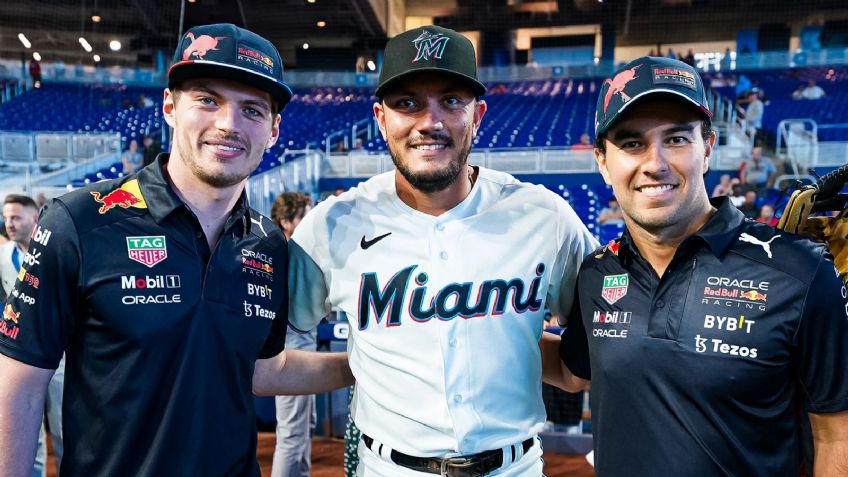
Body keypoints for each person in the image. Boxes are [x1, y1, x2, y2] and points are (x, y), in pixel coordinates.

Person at [0, 23, 353, 477]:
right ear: (170, 106)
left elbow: (264, 370)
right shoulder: (80, 220)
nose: (228, 124)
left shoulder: (268, 244)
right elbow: (21, 384)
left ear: (274, 130)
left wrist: (365, 363)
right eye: (207, 100)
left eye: (252, 109)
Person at [287, 24, 597, 477]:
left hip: (515, 468)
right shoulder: (333, 224)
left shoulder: (544, 216)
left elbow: (603, 336)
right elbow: (263, 354)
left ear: (478, 115)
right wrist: (363, 362)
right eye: (407, 102)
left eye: (451, 101)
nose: (429, 122)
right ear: (380, 118)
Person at [554, 56, 848, 476]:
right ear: (602, 161)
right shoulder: (597, 273)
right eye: (632, 143)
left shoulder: (801, 272)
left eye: (675, 139)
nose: (655, 164)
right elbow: (575, 370)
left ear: (707, 148)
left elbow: (837, 435)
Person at [0, 195, 64, 477]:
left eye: (16, 217)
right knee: (23, 435)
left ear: (34, 219)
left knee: (64, 431)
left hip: (62, 356)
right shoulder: (2, 257)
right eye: (6, 218)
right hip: (19, 359)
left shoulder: (59, 251)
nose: (9, 224)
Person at [269, 192, 317, 477]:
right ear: (286, 221)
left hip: (299, 348)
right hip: (291, 352)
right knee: (292, 435)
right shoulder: (283, 254)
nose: (311, 220)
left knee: (303, 427)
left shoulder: (289, 251)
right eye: (304, 215)